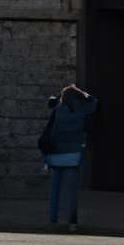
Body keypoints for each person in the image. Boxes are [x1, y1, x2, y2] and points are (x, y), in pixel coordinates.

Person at [38, 83, 96, 230]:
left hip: (57, 153)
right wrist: (84, 94)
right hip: (73, 154)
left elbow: (52, 130)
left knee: (55, 189)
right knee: (71, 192)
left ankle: (53, 220)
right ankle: (72, 222)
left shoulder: (59, 110)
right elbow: (94, 102)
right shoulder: (82, 110)